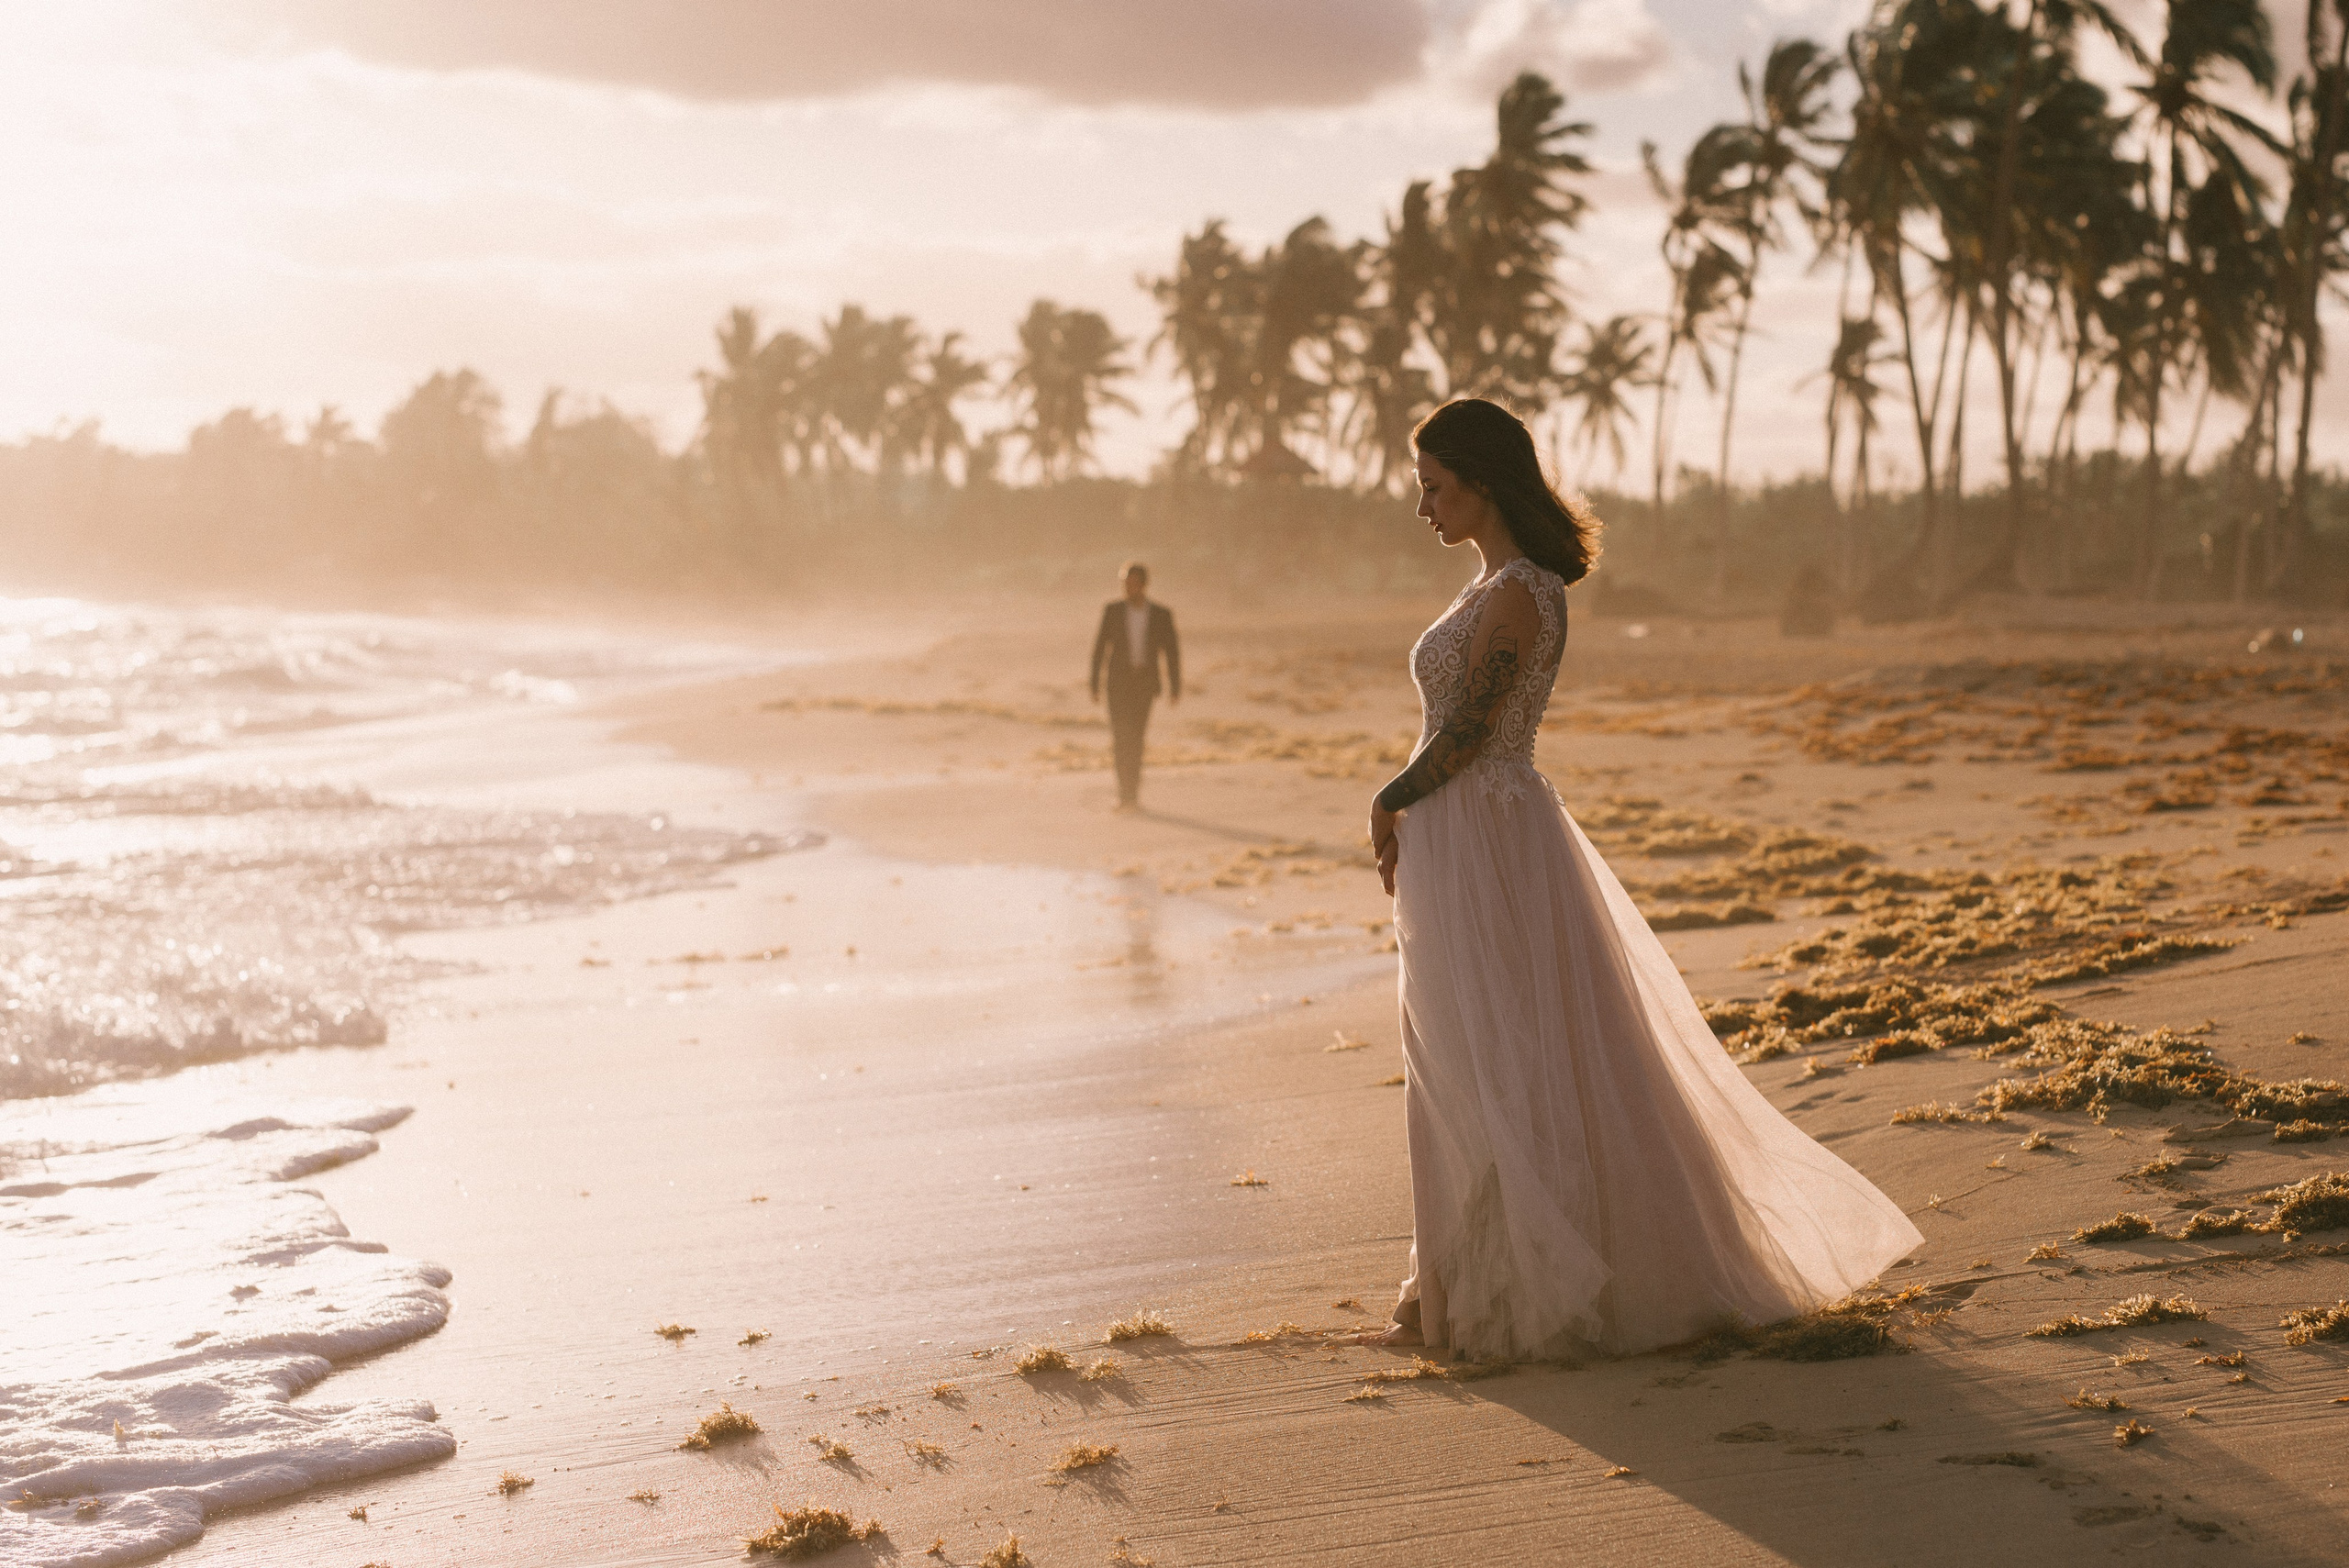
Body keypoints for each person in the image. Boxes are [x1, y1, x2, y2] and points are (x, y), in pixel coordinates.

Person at [1358, 398, 1921, 1361]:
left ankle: (1524, 1280)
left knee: (1507, 1052)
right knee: (1462, 1055)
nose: (1424, 508)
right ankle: (1459, 1272)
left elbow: (1473, 730)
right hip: (1461, 837)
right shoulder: (1488, 584)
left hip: (1489, 837)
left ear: (1482, 481)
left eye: (1435, 487)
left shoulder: (1522, 591)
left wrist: (1389, 796)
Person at [1087, 562, 1180, 811]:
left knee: (1137, 738)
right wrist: (1094, 683)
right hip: (1117, 685)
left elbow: (1171, 652)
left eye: (1133, 583)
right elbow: (1100, 648)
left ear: (1144, 585)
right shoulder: (1113, 611)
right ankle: (1124, 795)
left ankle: (1133, 794)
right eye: (1125, 584)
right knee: (1120, 738)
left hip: (1144, 685)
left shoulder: (1160, 614)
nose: (1129, 588)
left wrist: (1175, 687)